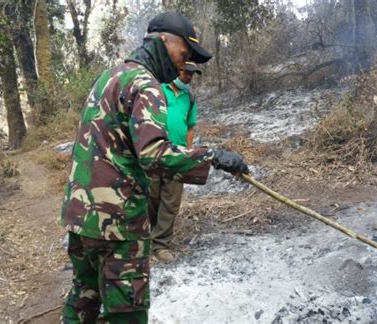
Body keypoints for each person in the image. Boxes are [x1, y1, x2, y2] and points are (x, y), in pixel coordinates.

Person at [60, 11, 249, 324]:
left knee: (84, 296)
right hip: (116, 221)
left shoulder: (110, 76)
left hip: (80, 216)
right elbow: (153, 154)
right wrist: (211, 156)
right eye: (183, 54)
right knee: (127, 310)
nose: (182, 64)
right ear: (163, 41)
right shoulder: (146, 84)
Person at [148, 61, 202, 262]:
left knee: (171, 201)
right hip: (155, 150)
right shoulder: (158, 89)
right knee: (151, 196)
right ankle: (151, 234)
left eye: (192, 74)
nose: (189, 77)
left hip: (178, 155)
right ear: (176, 69)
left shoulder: (190, 97)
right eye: (186, 72)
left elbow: (190, 127)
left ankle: (161, 245)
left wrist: (188, 152)